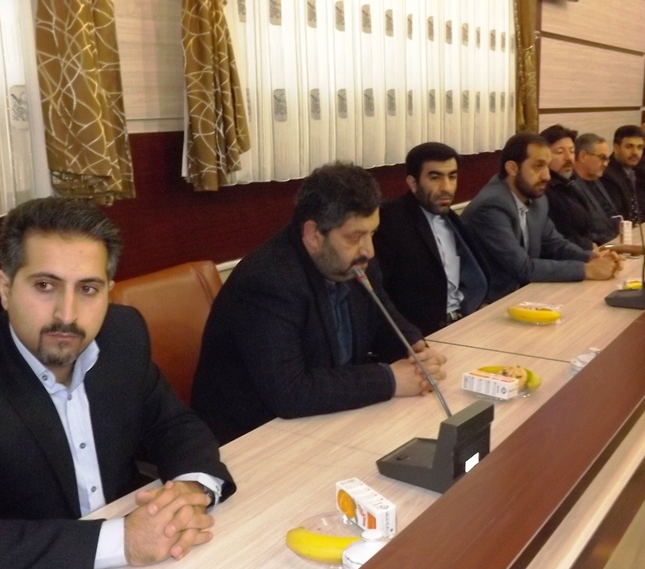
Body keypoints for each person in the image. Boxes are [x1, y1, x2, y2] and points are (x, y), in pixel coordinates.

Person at [0, 198, 236, 569]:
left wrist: (192, 488)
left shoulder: (123, 334)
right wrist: (121, 541)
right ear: (6, 288)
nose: (67, 313)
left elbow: (173, 425)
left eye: (88, 289)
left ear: (109, 292)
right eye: (45, 286)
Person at [192, 162, 447, 445]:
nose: (369, 250)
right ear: (314, 235)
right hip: (253, 438)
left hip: (327, 419)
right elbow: (290, 392)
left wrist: (414, 348)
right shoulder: (268, 282)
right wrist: (390, 380)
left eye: (372, 233)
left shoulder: (354, 260)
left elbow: (384, 318)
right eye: (356, 236)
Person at [461, 132, 623, 302]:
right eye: (538, 166)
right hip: (489, 303)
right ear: (513, 168)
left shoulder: (536, 199)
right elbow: (523, 268)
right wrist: (587, 269)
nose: (546, 176)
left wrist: (591, 257)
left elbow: (555, 244)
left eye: (547, 166)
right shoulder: (491, 206)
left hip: (524, 294)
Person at [374, 142, 488, 336]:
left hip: (465, 322)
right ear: (413, 183)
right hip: (423, 335)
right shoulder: (390, 222)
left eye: (452, 177)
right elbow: (379, 295)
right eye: (435, 178)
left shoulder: (452, 220)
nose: (446, 188)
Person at [538, 124, 597, 251]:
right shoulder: (543, 191)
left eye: (571, 151)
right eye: (560, 152)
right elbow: (558, 237)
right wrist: (589, 248)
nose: (568, 157)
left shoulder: (571, 183)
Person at [601, 124, 645, 223]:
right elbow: (620, 217)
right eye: (629, 146)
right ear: (616, 148)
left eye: (640, 147)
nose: (635, 152)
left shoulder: (632, 169)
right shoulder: (608, 176)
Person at [570, 133, 621, 246]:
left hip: (615, 242)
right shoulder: (571, 187)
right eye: (602, 158)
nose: (606, 164)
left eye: (607, 159)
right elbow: (581, 231)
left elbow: (610, 215)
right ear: (583, 156)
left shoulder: (598, 180)